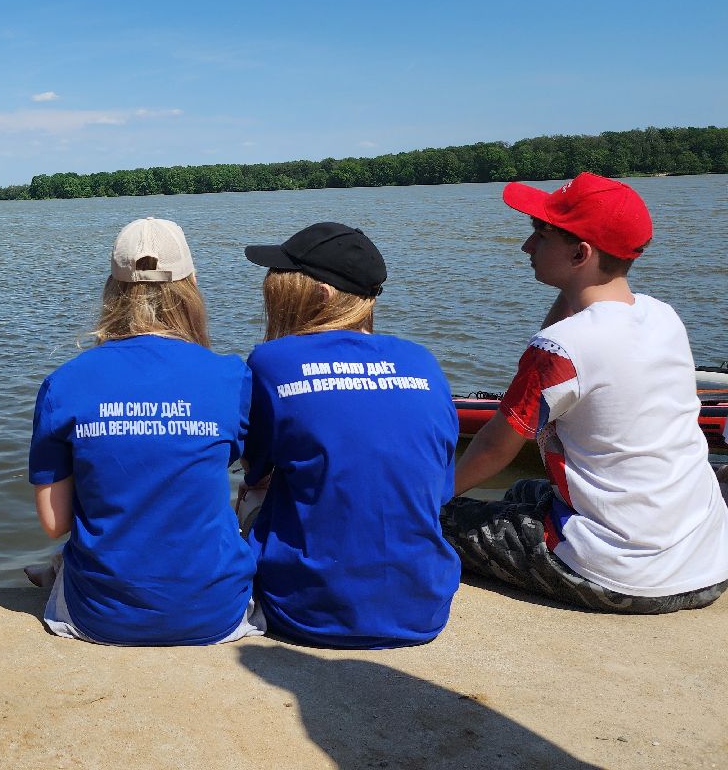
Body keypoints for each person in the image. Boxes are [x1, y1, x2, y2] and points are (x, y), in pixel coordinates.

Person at [443, 173, 728, 612]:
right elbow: (572, 333)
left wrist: (430, 499)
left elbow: (494, 449)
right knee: (522, 491)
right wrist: (568, 288)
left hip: (624, 577)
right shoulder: (662, 316)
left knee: (438, 520)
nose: (526, 247)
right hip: (705, 561)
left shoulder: (560, 350)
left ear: (580, 253)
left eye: (540, 235)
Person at [27, 217, 263, 646]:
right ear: (192, 285)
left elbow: (54, 522)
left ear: (111, 289)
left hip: (100, 619)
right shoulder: (231, 376)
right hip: (216, 614)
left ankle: (62, 574)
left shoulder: (66, 382)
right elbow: (255, 472)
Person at [240, 222, 459, 648]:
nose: (270, 285)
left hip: (305, 611)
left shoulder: (271, 361)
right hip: (424, 609)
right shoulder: (422, 360)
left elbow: (256, 471)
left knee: (253, 493)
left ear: (322, 293)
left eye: (281, 276)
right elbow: (440, 486)